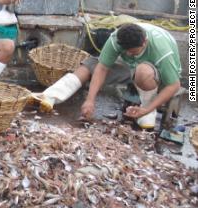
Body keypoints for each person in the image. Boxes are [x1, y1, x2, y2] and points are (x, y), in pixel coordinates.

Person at [31, 23, 181, 129]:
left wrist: (147, 109)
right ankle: (50, 96)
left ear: (145, 42)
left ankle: (146, 113)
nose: (129, 54)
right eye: (126, 50)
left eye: (133, 52)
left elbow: (174, 85)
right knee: (88, 66)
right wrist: (90, 100)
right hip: (129, 67)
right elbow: (102, 68)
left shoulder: (162, 50)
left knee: (142, 71)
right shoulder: (116, 39)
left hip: (153, 73)